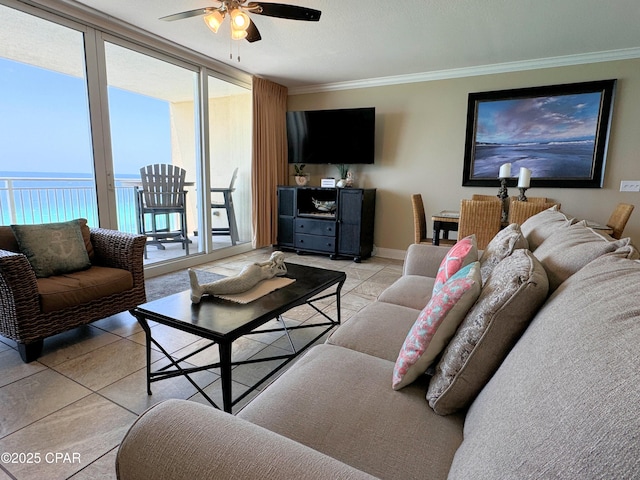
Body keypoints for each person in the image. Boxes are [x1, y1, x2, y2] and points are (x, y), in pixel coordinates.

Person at [189, 251, 287, 303]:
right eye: (280, 258)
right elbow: (259, 264)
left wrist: (280, 265)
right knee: (241, 282)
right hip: (255, 269)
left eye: (283, 259)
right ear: (274, 258)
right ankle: (201, 288)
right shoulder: (269, 263)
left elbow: (284, 271)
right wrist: (273, 263)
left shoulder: (276, 269)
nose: (282, 261)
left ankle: (202, 289)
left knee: (240, 286)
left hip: (257, 278)